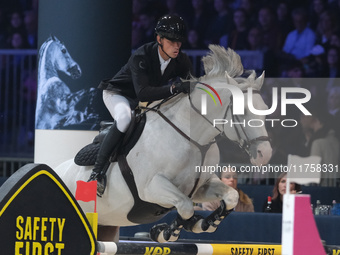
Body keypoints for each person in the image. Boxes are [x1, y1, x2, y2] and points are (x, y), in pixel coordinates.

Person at [88, 14, 193, 196]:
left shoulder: (181, 60)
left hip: (142, 99)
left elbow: (190, 86)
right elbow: (143, 92)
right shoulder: (142, 56)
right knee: (124, 118)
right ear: (159, 39)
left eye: (180, 42)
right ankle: (96, 174)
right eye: (172, 41)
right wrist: (175, 87)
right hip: (118, 94)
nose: (177, 46)